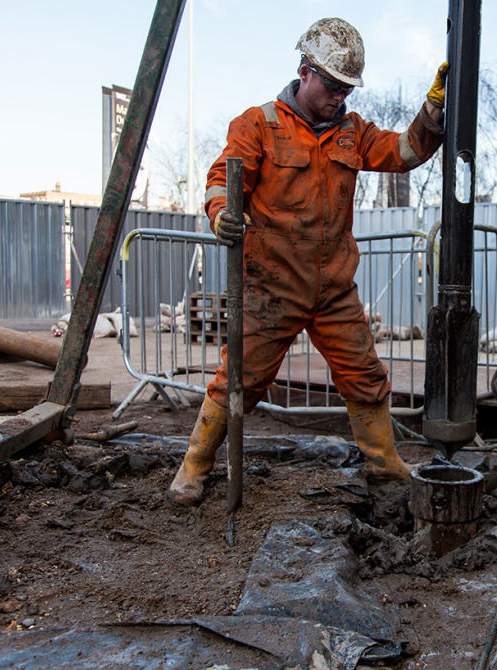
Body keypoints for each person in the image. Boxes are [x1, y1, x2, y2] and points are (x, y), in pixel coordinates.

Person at [167, 17, 450, 506]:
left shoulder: (353, 132)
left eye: (348, 89)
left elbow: (404, 152)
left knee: (365, 375)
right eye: (333, 86)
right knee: (240, 379)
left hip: (333, 289)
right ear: (305, 72)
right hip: (271, 287)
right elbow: (220, 179)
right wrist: (221, 215)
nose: (341, 97)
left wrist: (433, 110)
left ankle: (385, 467)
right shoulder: (258, 125)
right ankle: (194, 465)